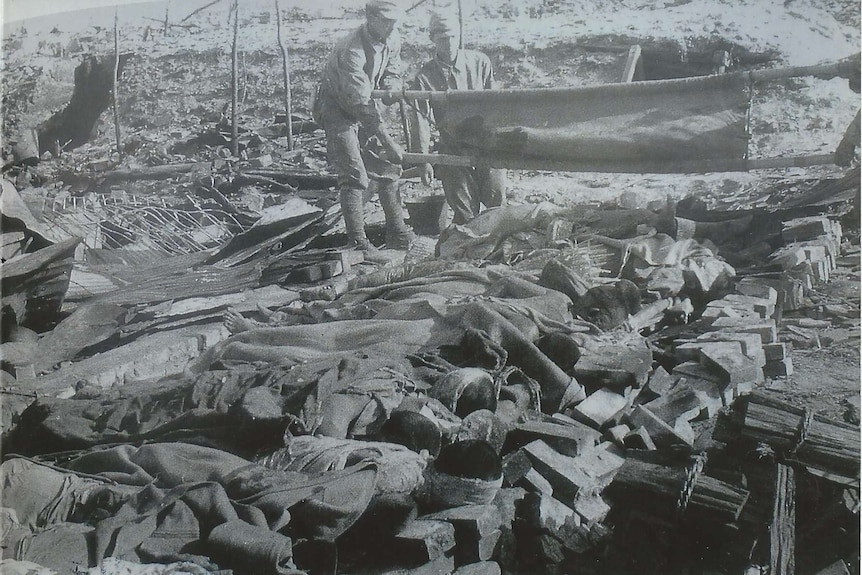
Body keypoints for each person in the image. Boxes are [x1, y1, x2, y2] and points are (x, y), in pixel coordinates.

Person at [313, 0, 414, 252]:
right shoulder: (352, 50)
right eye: (385, 20)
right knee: (354, 173)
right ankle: (357, 241)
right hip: (336, 107)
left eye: (394, 21)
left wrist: (391, 85)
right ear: (370, 17)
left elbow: (392, 70)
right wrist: (389, 141)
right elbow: (359, 102)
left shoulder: (392, 37)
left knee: (387, 165)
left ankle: (397, 231)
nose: (391, 26)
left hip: (365, 103)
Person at [407, 12, 507, 225]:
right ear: (432, 39)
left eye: (453, 37)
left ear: (459, 35)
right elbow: (420, 122)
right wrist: (423, 160)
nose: (449, 43)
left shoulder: (480, 62)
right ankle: (468, 250)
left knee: (496, 203)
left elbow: (497, 106)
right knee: (464, 211)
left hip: (486, 144)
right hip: (452, 148)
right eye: (443, 38)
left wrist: (502, 144)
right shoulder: (424, 77)